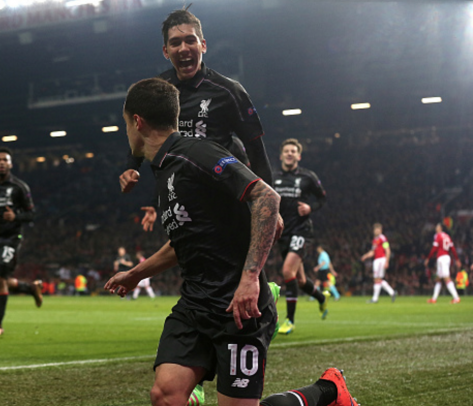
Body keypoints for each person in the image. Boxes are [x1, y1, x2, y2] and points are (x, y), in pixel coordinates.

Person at [105, 78, 358, 406]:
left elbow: (266, 197)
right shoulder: (165, 168)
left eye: (126, 124)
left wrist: (250, 278)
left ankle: (329, 390)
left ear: (137, 122)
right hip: (196, 305)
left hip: (239, 308)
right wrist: (137, 274)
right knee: (165, 395)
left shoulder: (195, 153)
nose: (127, 132)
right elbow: (185, 240)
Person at [118, 7, 273, 233]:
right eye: (175, 43)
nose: (183, 48)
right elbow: (143, 137)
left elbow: (256, 151)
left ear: (203, 45)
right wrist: (131, 169)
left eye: (190, 40)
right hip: (181, 203)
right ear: (165, 51)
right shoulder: (157, 91)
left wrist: (268, 208)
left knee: (239, 264)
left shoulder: (228, 91)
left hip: (224, 199)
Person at [0, 146, 43, 337]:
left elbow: (32, 214)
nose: (2, 163)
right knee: (0, 280)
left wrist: (16, 217)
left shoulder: (19, 188)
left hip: (11, 238)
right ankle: (30, 287)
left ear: (11, 164)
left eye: (5, 160)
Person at [274, 138, 328, 335]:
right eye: (286, 151)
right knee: (301, 280)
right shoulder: (273, 177)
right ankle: (322, 298)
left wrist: (310, 207)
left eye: (293, 151)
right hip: (282, 233)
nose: (289, 154)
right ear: (281, 155)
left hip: (301, 231)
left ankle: (290, 320)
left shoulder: (308, 177)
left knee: (287, 271)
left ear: (298, 156)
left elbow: (322, 197)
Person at [424, 223, 461, 304]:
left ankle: (456, 297)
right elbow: (453, 249)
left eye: (437, 227)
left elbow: (434, 248)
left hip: (442, 258)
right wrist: (457, 259)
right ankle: (434, 299)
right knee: (438, 279)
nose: (436, 228)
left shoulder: (438, 236)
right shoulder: (447, 236)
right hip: (447, 257)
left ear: (440, 228)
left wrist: (428, 258)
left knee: (446, 278)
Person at [360, 223, 397, 304]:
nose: (377, 231)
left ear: (381, 230)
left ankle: (375, 298)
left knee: (377, 279)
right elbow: (373, 252)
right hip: (376, 260)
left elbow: (388, 250)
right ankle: (392, 292)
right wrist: (365, 256)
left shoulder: (382, 238)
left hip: (381, 259)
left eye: (378, 229)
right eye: (375, 229)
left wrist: (387, 261)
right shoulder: (374, 240)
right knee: (378, 279)